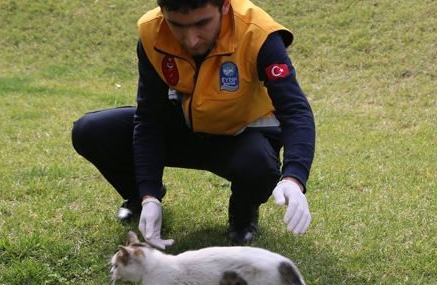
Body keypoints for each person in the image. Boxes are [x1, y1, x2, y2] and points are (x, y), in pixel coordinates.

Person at [72, 0, 315, 248]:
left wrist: (293, 179)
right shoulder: (152, 31)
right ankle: (138, 198)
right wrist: (149, 195)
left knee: (259, 166)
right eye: (176, 24)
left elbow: (295, 111)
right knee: (90, 131)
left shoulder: (259, 33)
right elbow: (150, 118)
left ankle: (243, 216)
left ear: (224, 6)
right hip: (185, 128)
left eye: (202, 23)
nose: (191, 40)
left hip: (241, 136)